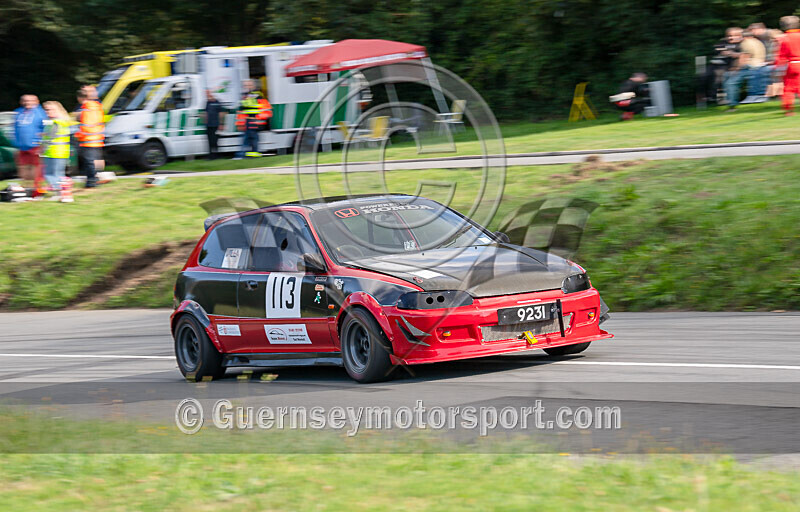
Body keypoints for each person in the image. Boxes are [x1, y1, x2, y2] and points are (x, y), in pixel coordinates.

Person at [13, 94, 47, 192]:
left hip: (35, 145)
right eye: (25, 100)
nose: (27, 102)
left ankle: (36, 188)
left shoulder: (41, 113)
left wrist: (42, 143)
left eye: (31, 100)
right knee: (23, 167)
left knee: (36, 167)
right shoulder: (18, 112)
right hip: (21, 145)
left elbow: (45, 129)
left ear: (37, 101)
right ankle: (26, 188)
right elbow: (15, 128)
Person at [41, 101, 74, 197]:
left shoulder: (55, 123)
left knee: (51, 174)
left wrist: (42, 146)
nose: (47, 112)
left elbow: (50, 137)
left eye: (49, 110)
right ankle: (62, 191)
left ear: (56, 110)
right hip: (60, 152)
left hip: (54, 152)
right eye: (45, 110)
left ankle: (59, 192)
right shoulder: (61, 121)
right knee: (58, 174)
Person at [75, 87, 105, 188]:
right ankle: (99, 176)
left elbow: (86, 126)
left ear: (80, 98)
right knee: (98, 160)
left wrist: (78, 134)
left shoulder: (86, 108)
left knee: (89, 162)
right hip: (98, 139)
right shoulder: (97, 106)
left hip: (88, 140)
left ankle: (91, 181)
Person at [234, 80, 272, 159]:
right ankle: (250, 156)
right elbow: (241, 111)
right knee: (250, 140)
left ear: (253, 86)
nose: (247, 87)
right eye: (245, 85)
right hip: (247, 122)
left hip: (254, 122)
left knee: (250, 140)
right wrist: (240, 123)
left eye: (249, 85)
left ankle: (243, 156)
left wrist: (258, 119)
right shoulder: (245, 97)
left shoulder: (258, 96)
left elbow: (267, 110)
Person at [776, 16, 800, 115]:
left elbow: (781, 55)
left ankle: (788, 109)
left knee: (788, 88)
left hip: (791, 65)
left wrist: (778, 68)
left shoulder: (783, 38)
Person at [739, 29, 768, 103]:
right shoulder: (757, 41)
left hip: (752, 65)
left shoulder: (745, 42)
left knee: (733, 78)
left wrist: (739, 67)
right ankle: (759, 95)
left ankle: (752, 96)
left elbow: (746, 55)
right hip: (761, 64)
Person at [720, 27, 746, 111]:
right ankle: (730, 103)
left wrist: (737, 67)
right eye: (729, 36)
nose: (730, 38)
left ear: (740, 36)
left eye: (734, 35)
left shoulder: (744, 44)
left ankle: (732, 105)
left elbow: (745, 56)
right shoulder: (725, 44)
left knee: (730, 84)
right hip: (728, 70)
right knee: (726, 84)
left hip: (741, 69)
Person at [204, 90, 224, 159]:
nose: (207, 95)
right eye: (206, 94)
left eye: (208, 94)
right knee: (209, 141)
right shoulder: (207, 103)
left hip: (215, 125)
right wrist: (205, 122)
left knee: (214, 141)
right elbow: (206, 113)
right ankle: (210, 155)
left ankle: (216, 155)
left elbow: (221, 114)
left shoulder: (217, 102)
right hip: (209, 125)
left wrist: (221, 124)